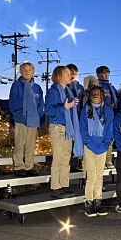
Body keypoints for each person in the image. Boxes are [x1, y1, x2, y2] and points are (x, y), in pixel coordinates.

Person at [45, 65, 84, 199]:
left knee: (66, 158)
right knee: (58, 158)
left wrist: (74, 103)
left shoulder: (68, 91)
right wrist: (65, 106)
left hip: (68, 128)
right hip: (57, 127)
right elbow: (49, 110)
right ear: (59, 76)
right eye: (67, 74)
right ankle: (56, 187)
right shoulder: (53, 92)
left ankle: (64, 184)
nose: (70, 76)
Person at [79, 85, 114, 217]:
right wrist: (89, 142)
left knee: (99, 176)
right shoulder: (85, 110)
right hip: (89, 146)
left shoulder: (108, 111)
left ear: (102, 95)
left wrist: (106, 144)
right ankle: (89, 202)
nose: (95, 95)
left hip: (103, 146)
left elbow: (110, 129)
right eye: (93, 93)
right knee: (91, 176)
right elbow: (83, 129)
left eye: (97, 93)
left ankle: (98, 201)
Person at [9, 61, 44, 177]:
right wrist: (18, 114)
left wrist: (38, 114)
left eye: (29, 70)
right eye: (25, 70)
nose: (27, 72)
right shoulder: (17, 85)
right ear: (21, 72)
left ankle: (29, 166)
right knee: (20, 143)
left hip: (33, 119)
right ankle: (19, 165)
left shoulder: (37, 88)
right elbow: (13, 101)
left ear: (33, 72)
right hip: (21, 119)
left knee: (31, 144)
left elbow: (40, 103)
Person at [96, 66, 119, 169]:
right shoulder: (97, 86)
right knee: (101, 139)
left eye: (106, 73)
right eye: (101, 73)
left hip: (112, 116)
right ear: (98, 75)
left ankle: (108, 160)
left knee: (109, 139)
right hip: (100, 116)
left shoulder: (111, 87)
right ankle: (101, 161)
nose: (104, 75)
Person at [67, 63, 85, 171]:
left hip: (79, 117)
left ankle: (77, 161)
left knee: (79, 140)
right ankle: (70, 162)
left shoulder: (80, 87)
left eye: (74, 73)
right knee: (70, 141)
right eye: (70, 73)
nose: (72, 75)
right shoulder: (65, 86)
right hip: (69, 118)